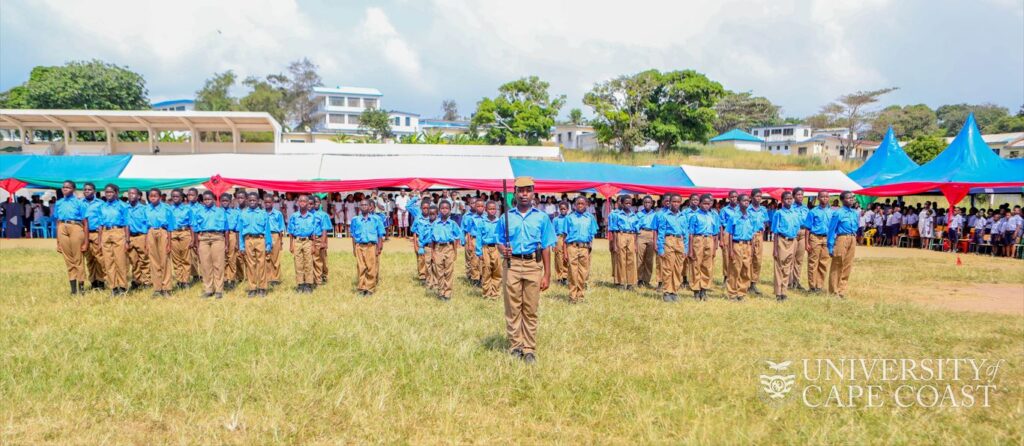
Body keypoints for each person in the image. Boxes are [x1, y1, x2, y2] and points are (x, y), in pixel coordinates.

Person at [497, 176, 556, 365]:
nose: (524, 194)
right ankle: (516, 346)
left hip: (532, 265)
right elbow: (498, 239)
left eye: (527, 190)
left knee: (530, 309)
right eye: (520, 190)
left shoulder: (542, 218)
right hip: (512, 265)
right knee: (513, 308)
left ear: (533, 193)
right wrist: (502, 249)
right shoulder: (505, 217)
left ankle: (529, 348)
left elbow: (546, 246)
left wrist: (547, 274)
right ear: (514, 193)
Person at [54, 180, 89, 295]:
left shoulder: (80, 203)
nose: (65, 189)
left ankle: (81, 288)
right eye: (63, 187)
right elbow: (57, 221)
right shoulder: (59, 203)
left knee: (78, 258)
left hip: (75, 226)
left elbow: (85, 222)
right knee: (68, 260)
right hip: (62, 227)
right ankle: (73, 290)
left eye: (68, 187)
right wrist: (58, 242)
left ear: (73, 189)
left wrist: (86, 242)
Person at [192, 191, 228, 298]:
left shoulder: (220, 211)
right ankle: (208, 289)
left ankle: (219, 290)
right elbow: (196, 228)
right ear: (202, 201)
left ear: (213, 199)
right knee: (205, 265)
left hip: (217, 238)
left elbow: (226, 229)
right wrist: (197, 243)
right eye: (205, 199)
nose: (207, 201)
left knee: (218, 264)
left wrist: (226, 244)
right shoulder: (199, 212)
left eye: (209, 199)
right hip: (203, 238)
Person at [563, 196, 598, 304]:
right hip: (572, 247)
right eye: (578, 203)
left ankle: (581, 295)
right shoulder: (569, 218)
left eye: (582, 203)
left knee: (583, 272)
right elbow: (565, 235)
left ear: (586, 205)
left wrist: (589, 247)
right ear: (574, 205)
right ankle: (572, 296)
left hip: (584, 247)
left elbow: (592, 234)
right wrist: (565, 252)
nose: (580, 205)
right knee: (572, 272)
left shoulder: (590, 218)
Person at [237, 192, 273, 298]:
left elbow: (267, 230)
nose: (252, 202)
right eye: (250, 200)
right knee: (250, 265)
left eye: (254, 200)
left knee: (262, 264)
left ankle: (262, 288)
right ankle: (252, 288)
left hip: (260, 240)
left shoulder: (263, 213)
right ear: (247, 201)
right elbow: (240, 231)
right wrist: (242, 246)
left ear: (258, 201)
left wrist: (268, 244)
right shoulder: (243, 213)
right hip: (248, 240)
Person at [97, 184, 130, 296]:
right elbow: (100, 225)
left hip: (118, 232)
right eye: (106, 192)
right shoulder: (102, 206)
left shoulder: (123, 206)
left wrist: (127, 240)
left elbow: (126, 224)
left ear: (116, 193)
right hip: (106, 232)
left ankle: (122, 287)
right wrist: (100, 240)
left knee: (120, 261)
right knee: (108, 262)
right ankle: (114, 287)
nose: (108, 194)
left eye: (111, 192)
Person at [724, 194, 757, 301]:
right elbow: (729, 233)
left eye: (748, 201)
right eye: (744, 200)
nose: (746, 202)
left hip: (748, 245)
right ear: (738, 202)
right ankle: (732, 293)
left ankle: (741, 293)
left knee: (746, 270)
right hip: (737, 244)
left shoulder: (751, 217)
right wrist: (730, 250)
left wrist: (751, 248)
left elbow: (752, 234)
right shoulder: (734, 216)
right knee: (734, 270)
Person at [656, 193, 688, 302]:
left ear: (680, 203)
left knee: (678, 268)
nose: (675, 204)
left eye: (678, 202)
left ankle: (674, 291)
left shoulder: (683, 216)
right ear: (670, 202)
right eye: (673, 201)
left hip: (680, 241)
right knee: (668, 268)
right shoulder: (665, 216)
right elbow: (661, 233)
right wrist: (660, 248)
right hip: (668, 240)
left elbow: (686, 233)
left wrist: (686, 248)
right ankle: (667, 292)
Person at [143, 188, 175, 298]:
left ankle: (166, 288)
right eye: (151, 196)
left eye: (155, 195)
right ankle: (157, 288)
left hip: (163, 232)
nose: (153, 197)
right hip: (151, 232)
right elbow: (145, 227)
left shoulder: (167, 208)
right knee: (154, 261)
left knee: (164, 260)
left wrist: (169, 243)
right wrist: (146, 242)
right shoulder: (146, 209)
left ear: (160, 197)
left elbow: (170, 227)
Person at [351, 199, 386, 296]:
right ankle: (362, 288)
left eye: (366, 205)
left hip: (371, 246)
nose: (364, 206)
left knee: (371, 267)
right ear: (359, 207)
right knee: (361, 267)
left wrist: (379, 247)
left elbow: (380, 234)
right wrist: (354, 248)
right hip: (359, 246)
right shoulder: (355, 220)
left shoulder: (376, 219)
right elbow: (353, 235)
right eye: (361, 205)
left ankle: (370, 288)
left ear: (369, 207)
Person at [687, 194, 719, 300]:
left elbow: (715, 233)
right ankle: (696, 290)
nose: (706, 206)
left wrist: (714, 248)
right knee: (696, 264)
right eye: (704, 203)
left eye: (708, 204)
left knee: (707, 265)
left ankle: (704, 289)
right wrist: (690, 250)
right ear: (700, 204)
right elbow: (690, 233)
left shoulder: (713, 215)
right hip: (698, 239)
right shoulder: (694, 216)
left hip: (709, 239)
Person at [431, 200, 464, 301]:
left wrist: (455, 250)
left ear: (450, 210)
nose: (444, 210)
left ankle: (447, 293)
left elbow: (458, 236)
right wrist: (433, 252)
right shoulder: (435, 223)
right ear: (439, 210)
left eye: (446, 208)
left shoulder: (453, 224)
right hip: (438, 248)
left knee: (449, 271)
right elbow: (432, 239)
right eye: (442, 208)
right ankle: (441, 292)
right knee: (439, 271)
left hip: (449, 248)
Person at [828, 191, 859, 298]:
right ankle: (833, 291)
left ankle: (841, 290)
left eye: (852, 197)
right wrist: (830, 246)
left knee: (847, 264)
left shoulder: (855, 213)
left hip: (852, 237)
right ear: (842, 200)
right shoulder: (838, 213)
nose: (851, 199)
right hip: (842, 237)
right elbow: (832, 230)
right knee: (837, 263)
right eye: (848, 198)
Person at [771, 191, 801, 301]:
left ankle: (784, 292)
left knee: (788, 267)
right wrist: (775, 249)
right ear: (782, 201)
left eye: (790, 198)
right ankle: (778, 293)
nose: (789, 200)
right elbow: (775, 231)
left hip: (792, 241)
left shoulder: (795, 213)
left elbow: (797, 228)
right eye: (786, 199)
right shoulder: (779, 213)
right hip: (781, 240)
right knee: (779, 266)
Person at [288, 194, 318, 294]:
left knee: (308, 263)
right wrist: (291, 245)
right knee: (298, 263)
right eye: (300, 201)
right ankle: (300, 284)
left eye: (305, 201)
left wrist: (313, 245)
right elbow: (291, 232)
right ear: (298, 203)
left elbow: (314, 232)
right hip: (297, 241)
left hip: (308, 241)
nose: (302, 203)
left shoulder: (312, 217)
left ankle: (309, 284)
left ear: (308, 203)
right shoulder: (294, 216)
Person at [803, 191, 832, 293]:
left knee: (824, 263)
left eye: (827, 197)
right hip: (815, 238)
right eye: (822, 196)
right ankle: (812, 287)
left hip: (827, 238)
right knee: (813, 263)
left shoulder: (831, 212)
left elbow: (833, 228)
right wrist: (806, 243)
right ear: (818, 198)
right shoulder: (813, 212)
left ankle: (819, 285)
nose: (825, 198)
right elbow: (807, 228)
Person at [608, 195, 639, 290]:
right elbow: (614, 230)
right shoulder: (617, 215)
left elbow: (636, 231)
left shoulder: (634, 215)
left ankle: (630, 283)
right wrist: (615, 244)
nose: (628, 205)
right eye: (626, 203)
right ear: (621, 203)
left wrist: (635, 244)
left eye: (630, 203)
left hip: (631, 235)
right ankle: (620, 282)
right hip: (621, 235)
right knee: (621, 259)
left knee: (631, 260)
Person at [475, 200, 503, 300]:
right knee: (486, 271)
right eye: (490, 209)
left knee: (497, 271)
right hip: (485, 248)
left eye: (494, 209)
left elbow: (502, 236)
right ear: (486, 210)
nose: (492, 211)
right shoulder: (482, 222)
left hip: (496, 248)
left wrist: (503, 251)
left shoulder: (499, 221)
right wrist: (479, 252)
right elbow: (478, 237)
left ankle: (495, 293)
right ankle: (486, 293)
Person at [125, 188, 151, 290]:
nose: (131, 195)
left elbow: (148, 225)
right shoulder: (125, 208)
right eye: (129, 193)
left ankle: (147, 281)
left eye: (133, 193)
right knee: (133, 260)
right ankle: (137, 281)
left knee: (144, 260)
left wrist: (147, 240)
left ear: (139, 196)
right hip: (130, 237)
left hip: (141, 236)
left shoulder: (144, 209)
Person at [169, 189, 194, 289]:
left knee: (186, 258)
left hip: (185, 233)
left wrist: (192, 239)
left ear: (182, 198)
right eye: (173, 196)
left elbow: (192, 224)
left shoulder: (187, 209)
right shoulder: (169, 209)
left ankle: (186, 281)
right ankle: (179, 280)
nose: (175, 198)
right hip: (173, 233)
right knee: (176, 259)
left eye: (177, 196)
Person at [82, 182, 106, 290]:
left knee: (99, 258)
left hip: (96, 233)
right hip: (84, 234)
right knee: (89, 259)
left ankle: (101, 281)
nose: (87, 191)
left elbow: (103, 219)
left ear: (94, 191)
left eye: (89, 190)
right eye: (85, 190)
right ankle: (93, 282)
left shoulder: (100, 203)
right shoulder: (80, 203)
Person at [636, 195, 659, 288]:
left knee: (649, 259)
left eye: (649, 202)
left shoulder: (655, 214)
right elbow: (636, 225)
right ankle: (639, 279)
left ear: (652, 203)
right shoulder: (639, 214)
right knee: (640, 257)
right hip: (641, 233)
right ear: (643, 203)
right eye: (645, 202)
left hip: (651, 234)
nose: (647, 204)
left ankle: (647, 280)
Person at [748, 189, 768, 296]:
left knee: (758, 260)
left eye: (760, 196)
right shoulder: (747, 208)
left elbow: (765, 222)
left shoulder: (763, 210)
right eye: (756, 196)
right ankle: (745, 282)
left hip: (759, 235)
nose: (759, 198)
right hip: (749, 235)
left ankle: (753, 282)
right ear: (751, 197)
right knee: (748, 259)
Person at [221, 193, 242, 290]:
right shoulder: (218, 212)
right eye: (223, 201)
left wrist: (238, 242)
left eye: (226, 201)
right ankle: (224, 279)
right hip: (220, 236)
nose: (224, 203)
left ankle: (232, 279)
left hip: (232, 235)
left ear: (230, 202)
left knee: (231, 258)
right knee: (222, 258)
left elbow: (237, 229)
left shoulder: (235, 213)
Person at [263, 195, 286, 287]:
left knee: (275, 257)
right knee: (266, 257)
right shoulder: (262, 213)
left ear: (273, 203)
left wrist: (280, 241)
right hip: (264, 236)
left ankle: (275, 278)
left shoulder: (278, 214)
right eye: (265, 202)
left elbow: (281, 229)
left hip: (275, 235)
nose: (267, 204)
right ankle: (268, 277)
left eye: (269, 202)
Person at [789, 188, 808, 290]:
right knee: (791, 258)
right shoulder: (790, 208)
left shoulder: (805, 209)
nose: (800, 196)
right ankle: (789, 282)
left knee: (799, 259)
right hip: (794, 232)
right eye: (798, 194)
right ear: (793, 196)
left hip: (804, 233)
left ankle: (796, 281)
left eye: (802, 195)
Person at [462, 198, 484, 286]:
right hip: (472, 239)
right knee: (471, 259)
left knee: (481, 259)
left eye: (476, 203)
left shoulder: (485, 216)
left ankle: (480, 276)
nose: (474, 205)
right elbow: (465, 230)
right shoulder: (467, 216)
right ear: (469, 204)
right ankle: (471, 277)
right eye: (472, 203)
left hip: (482, 239)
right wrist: (465, 242)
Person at [411, 199, 433, 285]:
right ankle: (422, 276)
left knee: (429, 260)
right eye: (424, 208)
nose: (426, 210)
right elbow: (414, 232)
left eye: (427, 208)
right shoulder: (418, 219)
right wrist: (415, 245)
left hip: (429, 243)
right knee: (421, 260)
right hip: (420, 242)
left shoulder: (433, 218)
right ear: (421, 208)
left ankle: (429, 276)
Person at [719, 190, 740, 282]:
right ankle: (726, 277)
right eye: (732, 197)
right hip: (727, 233)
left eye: (735, 197)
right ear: (728, 198)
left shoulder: (742, 209)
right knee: (726, 255)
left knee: (737, 255)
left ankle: (736, 277)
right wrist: (722, 239)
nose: (734, 198)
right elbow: (720, 225)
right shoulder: (724, 210)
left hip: (738, 233)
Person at [311, 196, 331, 285]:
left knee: (322, 259)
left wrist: (324, 242)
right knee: (314, 260)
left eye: (317, 202)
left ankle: (324, 275)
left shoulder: (323, 215)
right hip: (310, 239)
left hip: (320, 238)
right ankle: (316, 279)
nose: (315, 204)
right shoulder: (308, 214)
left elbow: (325, 229)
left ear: (320, 203)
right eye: (313, 202)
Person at [551, 201, 570, 286]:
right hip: (559, 238)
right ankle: (559, 277)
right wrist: (553, 244)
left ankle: (565, 277)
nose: (563, 210)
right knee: (558, 257)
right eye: (561, 209)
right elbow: (553, 232)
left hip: (568, 238)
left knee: (566, 257)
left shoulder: (570, 219)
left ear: (567, 209)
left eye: (564, 209)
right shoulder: (556, 219)